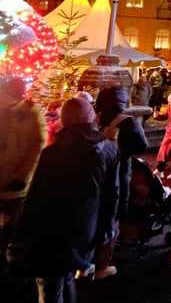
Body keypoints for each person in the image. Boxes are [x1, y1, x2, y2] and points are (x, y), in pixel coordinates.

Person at [7, 97, 119, 303]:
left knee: (50, 285)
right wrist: (106, 229)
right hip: (86, 228)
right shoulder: (108, 149)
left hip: (51, 231)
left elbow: (35, 199)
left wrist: (19, 239)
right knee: (66, 275)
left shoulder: (52, 153)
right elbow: (113, 195)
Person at [90, 87, 148, 280]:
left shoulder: (96, 120)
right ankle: (101, 266)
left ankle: (86, 262)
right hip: (118, 175)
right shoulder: (128, 123)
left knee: (92, 216)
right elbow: (141, 146)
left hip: (93, 175)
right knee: (110, 218)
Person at [0, 79, 45, 260]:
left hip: (14, 184)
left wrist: (23, 177)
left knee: (11, 224)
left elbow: (37, 147)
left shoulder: (30, 113)